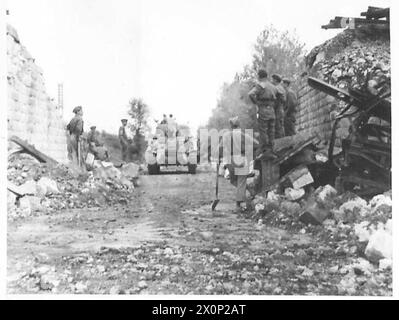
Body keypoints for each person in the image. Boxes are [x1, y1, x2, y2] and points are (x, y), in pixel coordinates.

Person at [219, 117, 255, 213]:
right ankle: (239, 204)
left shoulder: (226, 135)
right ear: (239, 125)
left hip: (230, 160)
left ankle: (245, 194)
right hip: (241, 159)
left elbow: (220, 148)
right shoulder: (243, 135)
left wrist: (221, 157)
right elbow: (256, 144)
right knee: (241, 182)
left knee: (233, 180)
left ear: (231, 126)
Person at [248, 69, 278, 158]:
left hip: (263, 109)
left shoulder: (260, 85)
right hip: (272, 110)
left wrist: (256, 102)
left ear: (259, 77)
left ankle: (266, 150)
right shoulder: (273, 86)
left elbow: (250, 94)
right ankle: (272, 149)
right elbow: (278, 97)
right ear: (266, 76)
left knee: (263, 130)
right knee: (271, 130)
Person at [271, 74, 287, 138]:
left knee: (278, 128)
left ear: (275, 80)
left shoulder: (276, 88)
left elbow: (275, 100)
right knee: (280, 127)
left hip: (277, 110)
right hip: (280, 109)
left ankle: (281, 144)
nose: (271, 81)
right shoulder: (281, 88)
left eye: (272, 79)